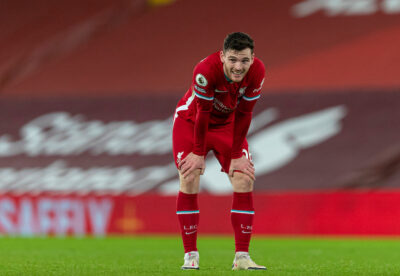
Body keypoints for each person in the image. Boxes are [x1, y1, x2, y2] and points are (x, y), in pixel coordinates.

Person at [172, 32, 266, 271]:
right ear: (222, 56)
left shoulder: (258, 72)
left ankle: (242, 257)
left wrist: (236, 155)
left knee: (244, 178)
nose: (238, 66)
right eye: (233, 59)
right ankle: (190, 255)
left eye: (244, 60)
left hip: (227, 126)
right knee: (190, 176)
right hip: (191, 122)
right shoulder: (205, 70)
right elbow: (203, 112)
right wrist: (197, 152)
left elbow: (245, 113)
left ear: (252, 58)